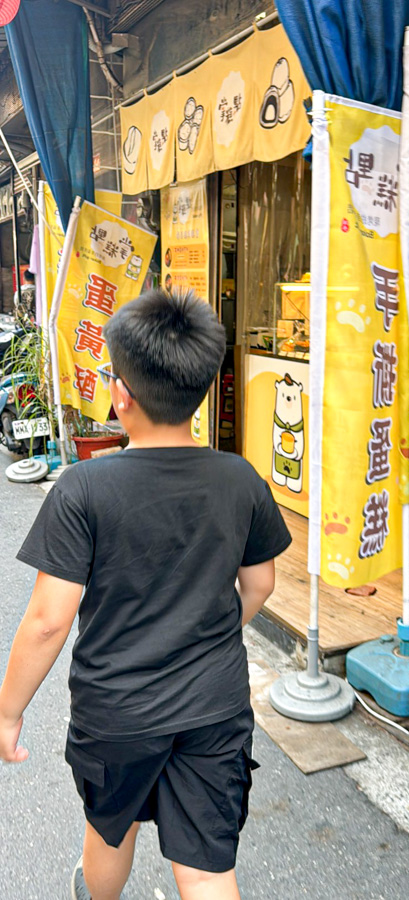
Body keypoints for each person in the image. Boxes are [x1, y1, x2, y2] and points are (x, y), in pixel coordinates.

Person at [0, 288, 292, 900]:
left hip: (116, 712)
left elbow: (49, 621)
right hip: (214, 706)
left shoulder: (83, 488)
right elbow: (260, 583)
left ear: (121, 394)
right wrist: (206, 631)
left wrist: (7, 712)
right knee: (207, 867)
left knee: (111, 832)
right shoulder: (240, 478)